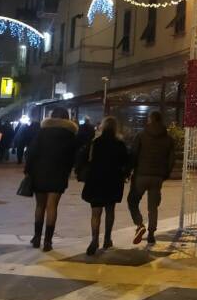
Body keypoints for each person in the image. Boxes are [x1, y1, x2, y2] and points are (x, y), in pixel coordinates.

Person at [24, 108, 78, 251]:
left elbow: (31, 152)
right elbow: (73, 157)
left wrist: (28, 170)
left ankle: (36, 237)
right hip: (59, 174)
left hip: (39, 172)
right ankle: (48, 241)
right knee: (52, 206)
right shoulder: (70, 135)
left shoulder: (42, 132)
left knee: (40, 206)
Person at [76, 116, 130, 255]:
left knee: (96, 212)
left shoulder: (95, 142)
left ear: (103, 127)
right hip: (113, 181)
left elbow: (83, 158)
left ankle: (94, 239)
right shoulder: (120, 144)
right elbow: (127, 161)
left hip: (96, 179)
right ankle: (107, 238)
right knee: (110, 211)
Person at [127, 111, 174, 245]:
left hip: (141, 175)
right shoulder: (168, 139)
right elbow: (171, 159)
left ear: (150, 120)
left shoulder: (141, 135)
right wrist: (165, 174)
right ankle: (151, 233)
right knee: (153, 207)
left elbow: (134, 154)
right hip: (157, 177)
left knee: (132, 201)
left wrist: (130, 170)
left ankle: (139, 224)